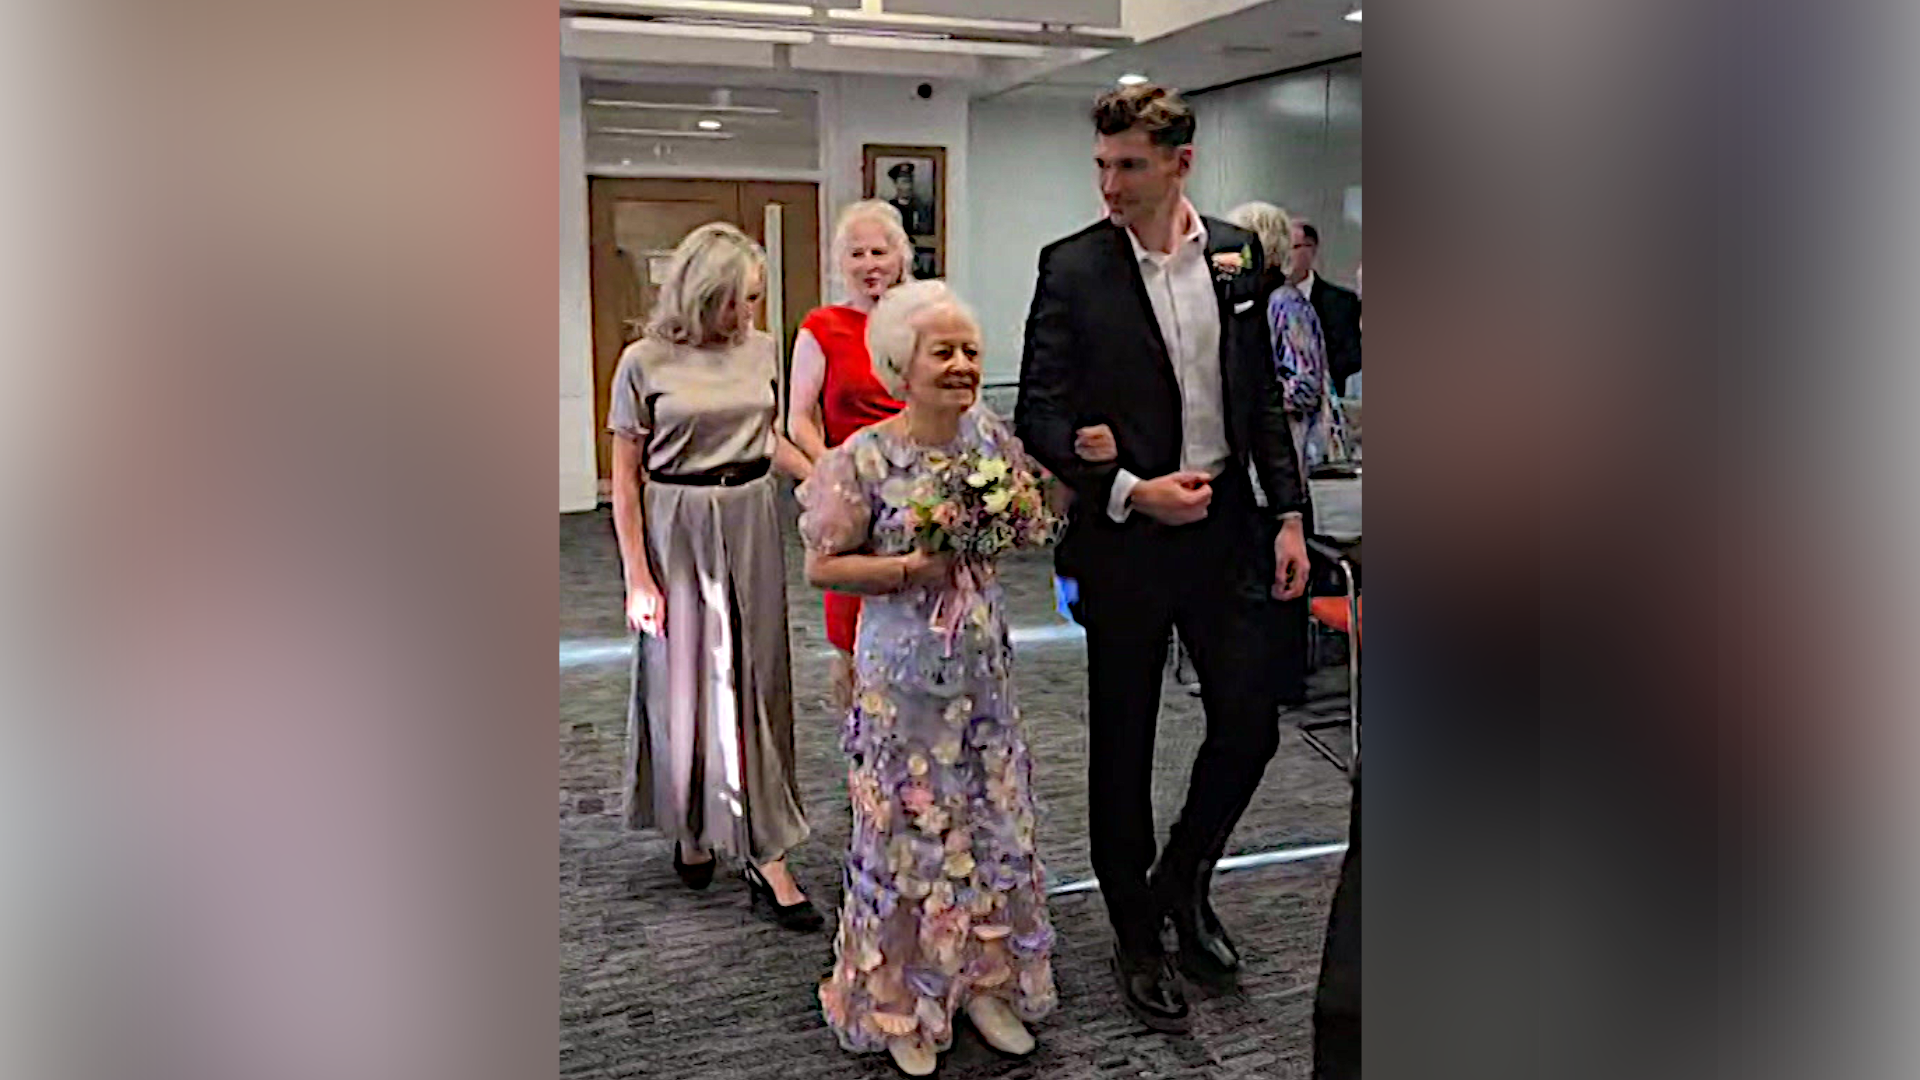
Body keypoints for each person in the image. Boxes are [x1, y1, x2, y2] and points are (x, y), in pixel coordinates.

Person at [1014, 83, 1311, 1033]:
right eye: (1101, 164)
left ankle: (1182, 878)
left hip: (1226, 527)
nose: (1109, 183)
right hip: (1128, 536)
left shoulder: (1236, 255)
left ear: (1181, 162)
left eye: (1129, 165)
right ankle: (1135, 933)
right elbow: (1041, 413)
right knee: (1124, 743)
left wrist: (1291, 515)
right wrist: (1126, 488)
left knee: (1251, 722)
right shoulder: (1071, 269)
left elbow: (1260, 395)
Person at [803, 280, 1060, 1076]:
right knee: (911, 837)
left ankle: (982, 980)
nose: (960, 366)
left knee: (986, 825)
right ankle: (900, 1002)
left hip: (982, 674)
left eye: (971, 352)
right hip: (903, 681)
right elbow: (823, 564)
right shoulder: (865, 458)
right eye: (941, 352)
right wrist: (914, 565)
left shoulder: (989, 439)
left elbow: (1026, 512)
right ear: (898, 366)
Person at [606, 222, 823, 931]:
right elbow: (626, 480)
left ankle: (767, 847)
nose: (747, 316)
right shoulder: (643, 361)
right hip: (675, 521)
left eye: (754, 300)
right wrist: (638, 575)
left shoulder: (759, 348)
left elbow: (767, 435)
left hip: (750, 515)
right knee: (685, 682)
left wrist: (834, 478)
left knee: (758, 675)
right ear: (701, 296)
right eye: (734, 301)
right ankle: (693, 825)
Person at [788, 200, 911, 712]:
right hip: (853, 502)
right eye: (856, 253)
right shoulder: (823, 326)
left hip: (915, 494)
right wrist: (835, 473)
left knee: (917, 630)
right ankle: (863, 763)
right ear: (842, 264)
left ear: (900, 256)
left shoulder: (920, 318)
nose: (869, 264)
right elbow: (796, 419)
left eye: (879, 251)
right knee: (853, 645)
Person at [1228, 201, 1349, 471]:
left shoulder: (1285, 302)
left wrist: (1249, 396)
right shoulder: (1244, 299)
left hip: (1290, 459)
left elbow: (1306, 386)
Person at [1289, 219, 1363, 395]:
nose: (1285, 256)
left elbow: (1351, 358)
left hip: (1329, 401)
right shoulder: (1267, 300)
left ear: (1311, 249)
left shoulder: (1342, 302)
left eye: (1291, 248)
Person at [886, 161, 936, 237]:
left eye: (910, 182)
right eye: (904, 182)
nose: (908, 187)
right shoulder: (889, 208)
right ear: (896, 184)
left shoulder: (921, 207)